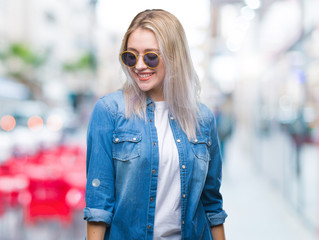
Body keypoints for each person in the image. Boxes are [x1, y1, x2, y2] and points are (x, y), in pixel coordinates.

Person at [83, 9, 227, 240]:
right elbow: (99, 206)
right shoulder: (109, 111)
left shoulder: (202, 119)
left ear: (174, 56)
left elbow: (212, 204)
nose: (139, 66)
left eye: (151, 56)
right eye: (131, 56)